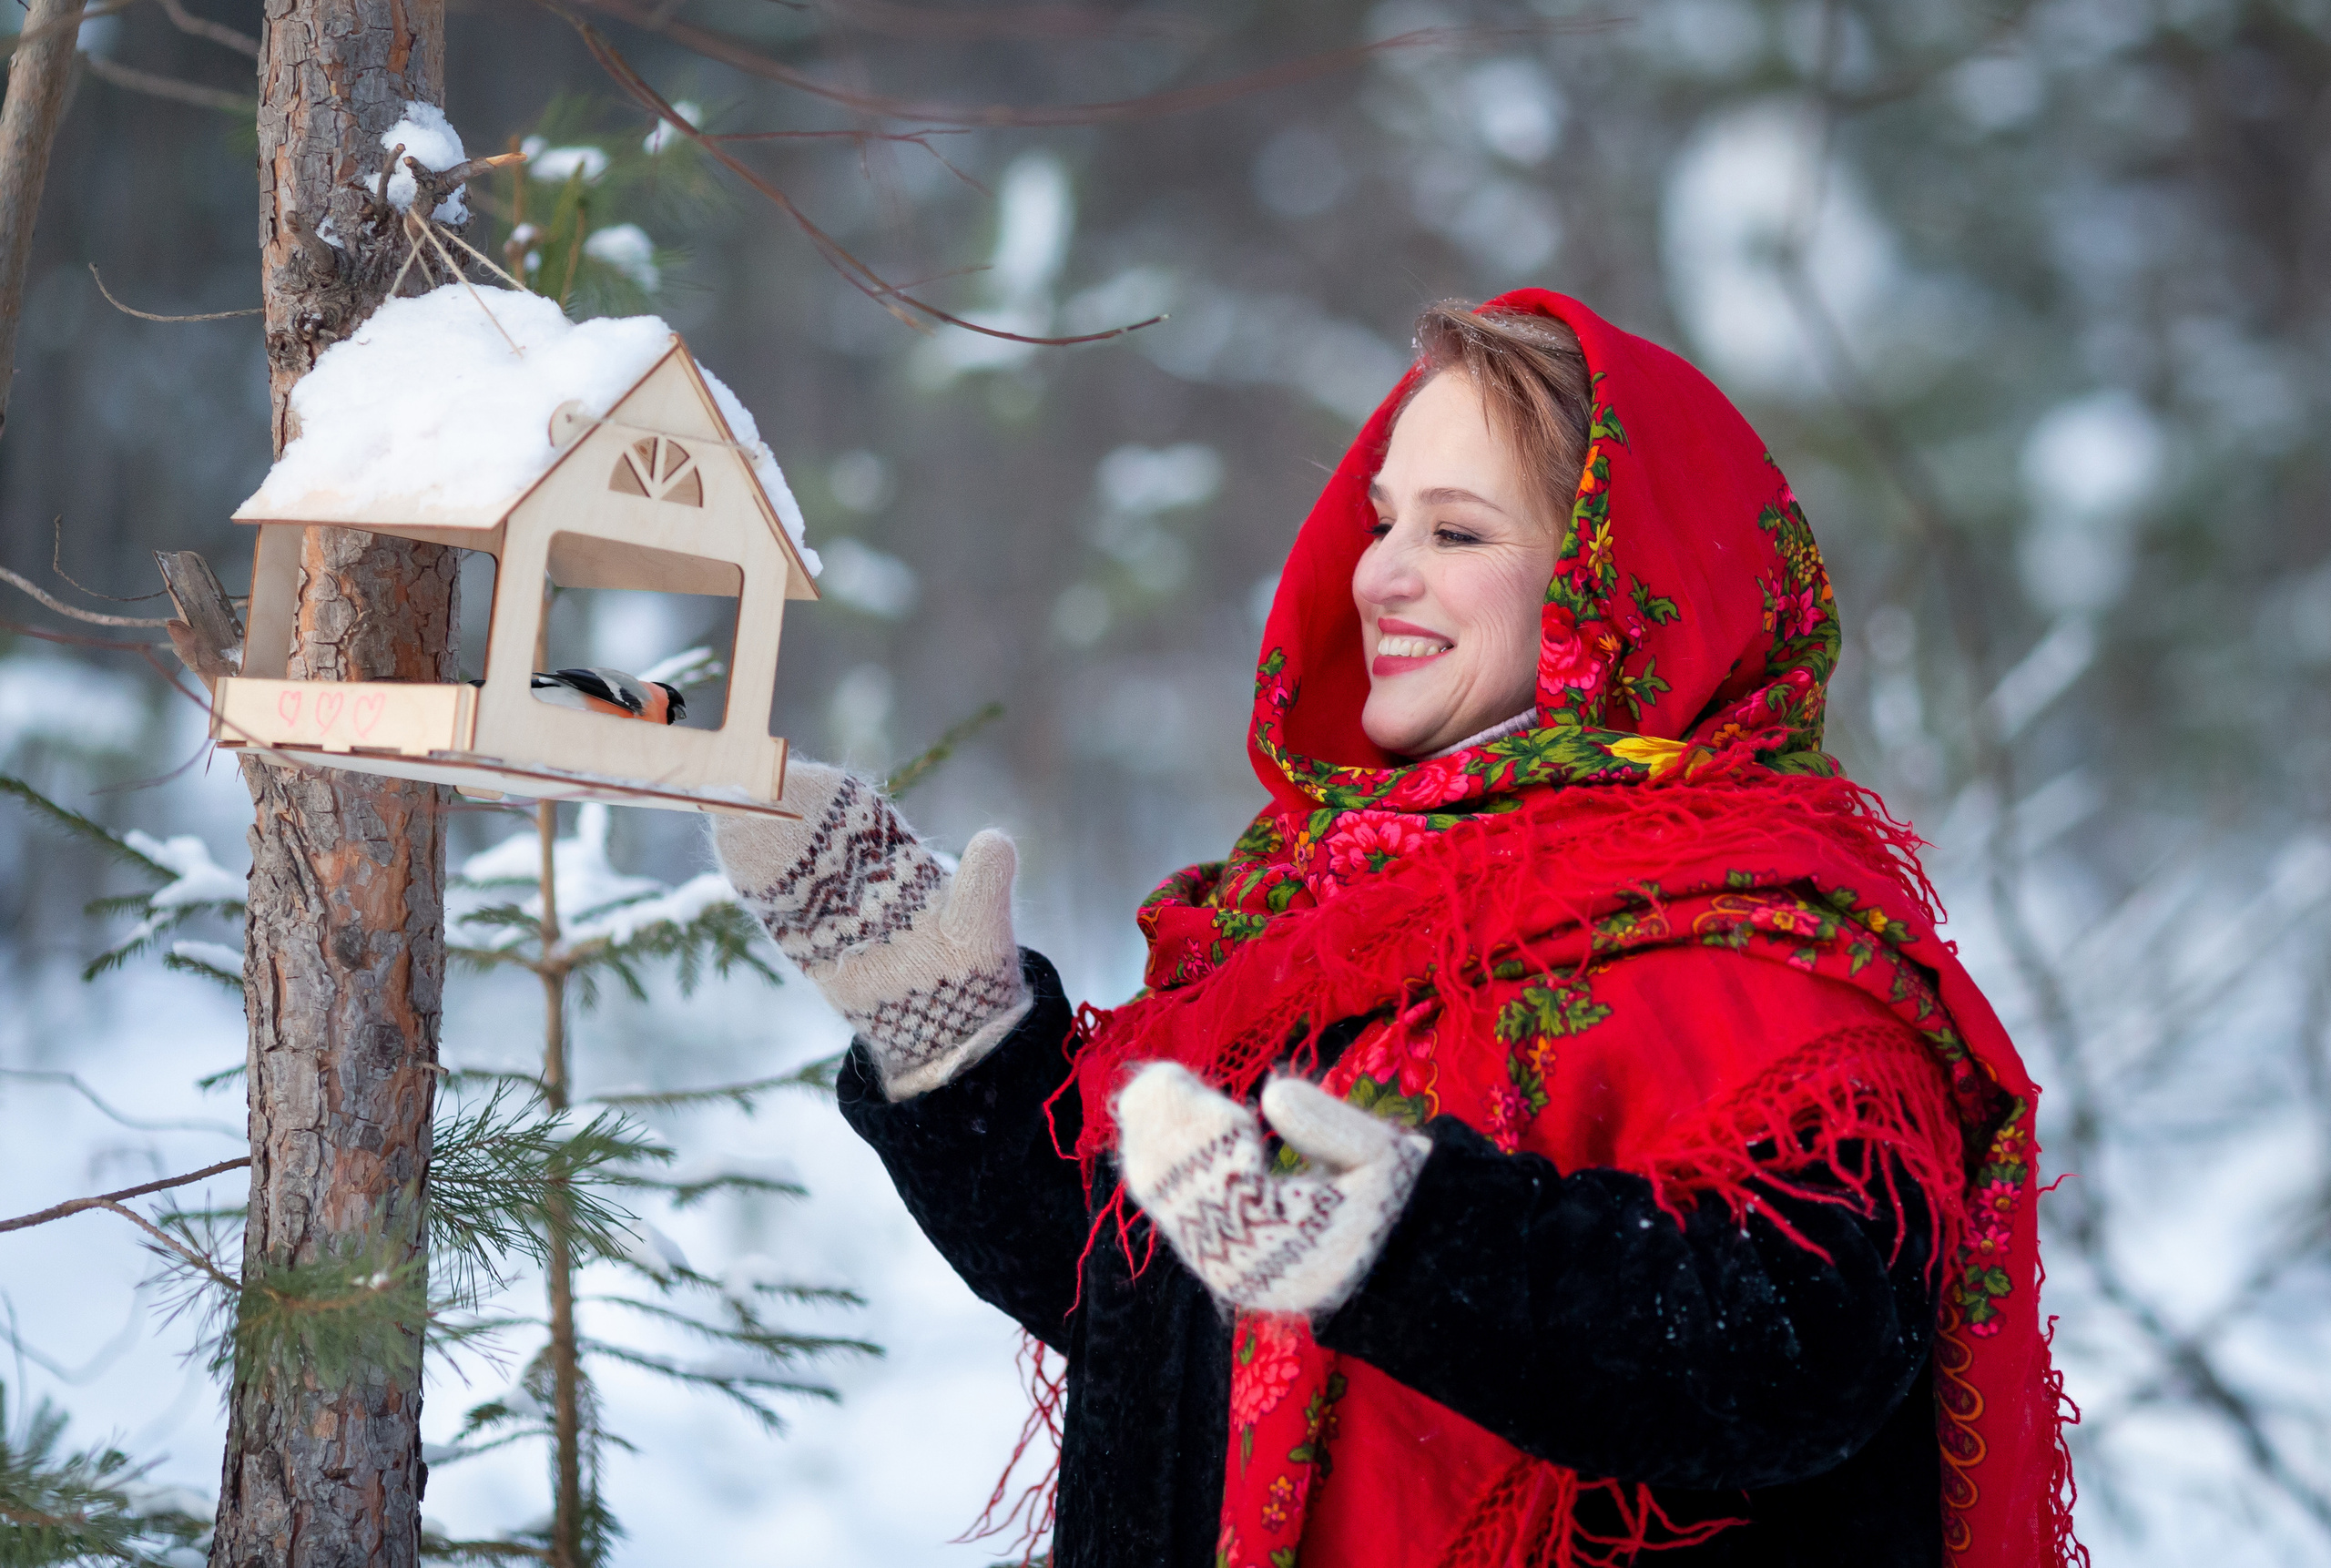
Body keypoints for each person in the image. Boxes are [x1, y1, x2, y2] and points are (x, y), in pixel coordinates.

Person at [710, 292, 2079, 1568]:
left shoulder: (1783, 957)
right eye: (1381, 522)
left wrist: (1412, 1238)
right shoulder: (1318, 920)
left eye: (1459, 532)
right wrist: (956, 1043)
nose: (1380, 577)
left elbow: (1785, 1357)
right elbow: (1143, 1309)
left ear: (1627, 577)